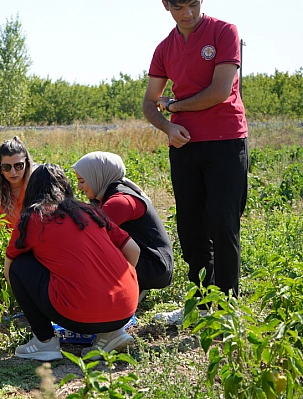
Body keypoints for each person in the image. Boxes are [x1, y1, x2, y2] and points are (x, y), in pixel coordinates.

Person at [143, 0, 249, 324]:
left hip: (227, 142)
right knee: (191, 228)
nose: (187, 13)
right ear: (165, 5)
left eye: (193, 4)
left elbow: (220, 91)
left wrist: (174, 105)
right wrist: (167, 125)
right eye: (179, 6)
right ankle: (202, 306)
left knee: (223, 223)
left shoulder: (223, 32)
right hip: (185, 146)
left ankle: (227, 310)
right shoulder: (164, 48)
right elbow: (149, 103)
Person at [4, 164, 140, 361]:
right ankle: (111, 333)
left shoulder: (34, 217)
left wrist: (35, 300)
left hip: (78, 316)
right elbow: (133, 250)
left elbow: (10, 270)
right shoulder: (91, 211)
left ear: (31, 190)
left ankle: (44, 341)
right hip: (127, 308)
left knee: (19, 265)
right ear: (66, 187)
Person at [72, 151, 174, 302]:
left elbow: (88, 235)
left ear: (98, 176)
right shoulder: (111, 194)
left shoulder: (119, 202)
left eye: (82, 181)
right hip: (151, 263)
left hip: (153, 268)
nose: (79, 187)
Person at [0, 136, 34, 236]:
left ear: (27, 164)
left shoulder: (37, 182)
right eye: (6, 167)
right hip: (3, 243)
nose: (13, 172)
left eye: (18, 166)